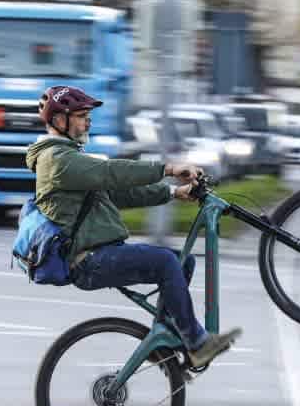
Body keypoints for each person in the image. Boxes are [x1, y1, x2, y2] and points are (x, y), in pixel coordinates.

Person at [24, 86, 241, 367]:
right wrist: (167, 168)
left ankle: (163, 340)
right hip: (87, 260)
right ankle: (197, 343)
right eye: (80, 115)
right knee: (164, 262)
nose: (87, 121)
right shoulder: (57, 160)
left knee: (181, 262)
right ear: (58, 121)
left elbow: (117, 195)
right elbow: (111, 173)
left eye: (88, 115)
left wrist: (173, 193)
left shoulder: (69, 157)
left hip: (101, 252)